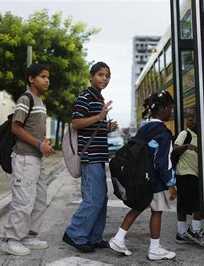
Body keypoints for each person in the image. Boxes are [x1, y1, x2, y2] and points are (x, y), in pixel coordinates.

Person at [109, 91, 177, 261]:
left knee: (138, 207)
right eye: (170, 107)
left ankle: (118, 238)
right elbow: (163, 162)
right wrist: (171, 183)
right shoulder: (164, 132)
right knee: (157, 211)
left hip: (140, 176)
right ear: (162, 109)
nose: (171, 111)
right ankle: (154, 249)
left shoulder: (145, 128)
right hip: (154, 180)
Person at [62, 62, 118, 253]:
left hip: (99, 157)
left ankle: (94, 237)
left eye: (107, 75)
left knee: (101, 198)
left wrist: (107, 127)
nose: (104, 78)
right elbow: (76, 122)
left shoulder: (98, 98)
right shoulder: (85, 96)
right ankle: (75, 233)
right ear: (91, 76)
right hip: (90, 157)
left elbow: (93, 126)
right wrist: (99, 117)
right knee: (93, 198)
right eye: (101, 75)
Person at [0, 64, 55, 256]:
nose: (47, 80)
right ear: (31, 79)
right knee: (23, 200)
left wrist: (43, 143)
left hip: (36, 159)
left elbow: (32, 129)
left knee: (39, 199)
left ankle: (29, 235)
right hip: (24, 159)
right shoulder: (26, 98)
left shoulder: (40, 101)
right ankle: (11, 239)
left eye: (48, 77)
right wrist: (39, 145)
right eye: (42, 76)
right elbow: (16, 128)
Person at [173, 107, 204, 247]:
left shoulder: (203, 135)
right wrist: (187, 146)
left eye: (193, 116)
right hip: (185, 172)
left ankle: (181, 234)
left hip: (194, 173)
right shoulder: (185, 134)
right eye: (187, 117)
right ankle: (195, 230)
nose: (189, 119)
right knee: (197, 203)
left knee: (184, 204)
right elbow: (175, 148)